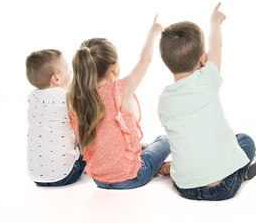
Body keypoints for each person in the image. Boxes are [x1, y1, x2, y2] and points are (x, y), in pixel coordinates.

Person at [158, 3, 256, 200]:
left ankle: (175, 168)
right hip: (223, 187)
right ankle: (241, 172)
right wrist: (215, 21)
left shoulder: (163, 101)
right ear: (203, 58)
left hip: (185, 187)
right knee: (245, 141)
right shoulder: (207, 80)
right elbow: (217, 46)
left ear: (166, 62)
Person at [66, 16, 171, 189]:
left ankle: (153, 162)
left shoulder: (76, 98)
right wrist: (153, 33)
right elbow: (145, 60)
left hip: (99, 180)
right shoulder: (120, 90)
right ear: (114, 67)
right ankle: (158, 167)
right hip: (131, 177)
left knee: (143, 146)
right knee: (164, 139)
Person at [26, 49, 86, 186]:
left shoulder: (32, 98)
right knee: (86, 141)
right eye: (66, 68)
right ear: (56, 79)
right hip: (65, 175)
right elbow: (79, 132)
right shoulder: (68, 99)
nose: (70, 71)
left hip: (36, 176)